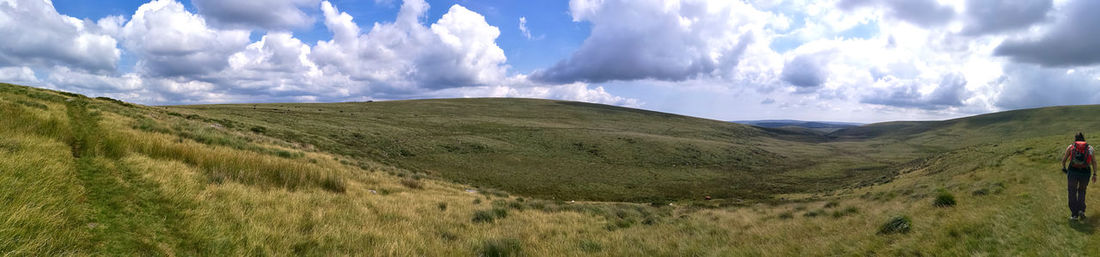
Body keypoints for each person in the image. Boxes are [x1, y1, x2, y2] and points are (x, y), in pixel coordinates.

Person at [1062, 132, 1098, 221]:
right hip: (1085, 173)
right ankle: (1081, 210)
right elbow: (1094, 162)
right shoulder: (1090, 148)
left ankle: (1074, 214)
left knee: (1072, 192)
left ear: (1075, 139)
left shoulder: (1071, 147)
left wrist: (1064, 168)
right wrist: (1094, 174)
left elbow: (1064, 160)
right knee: (1082, 191)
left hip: (1073, 172)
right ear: (1083, 139)